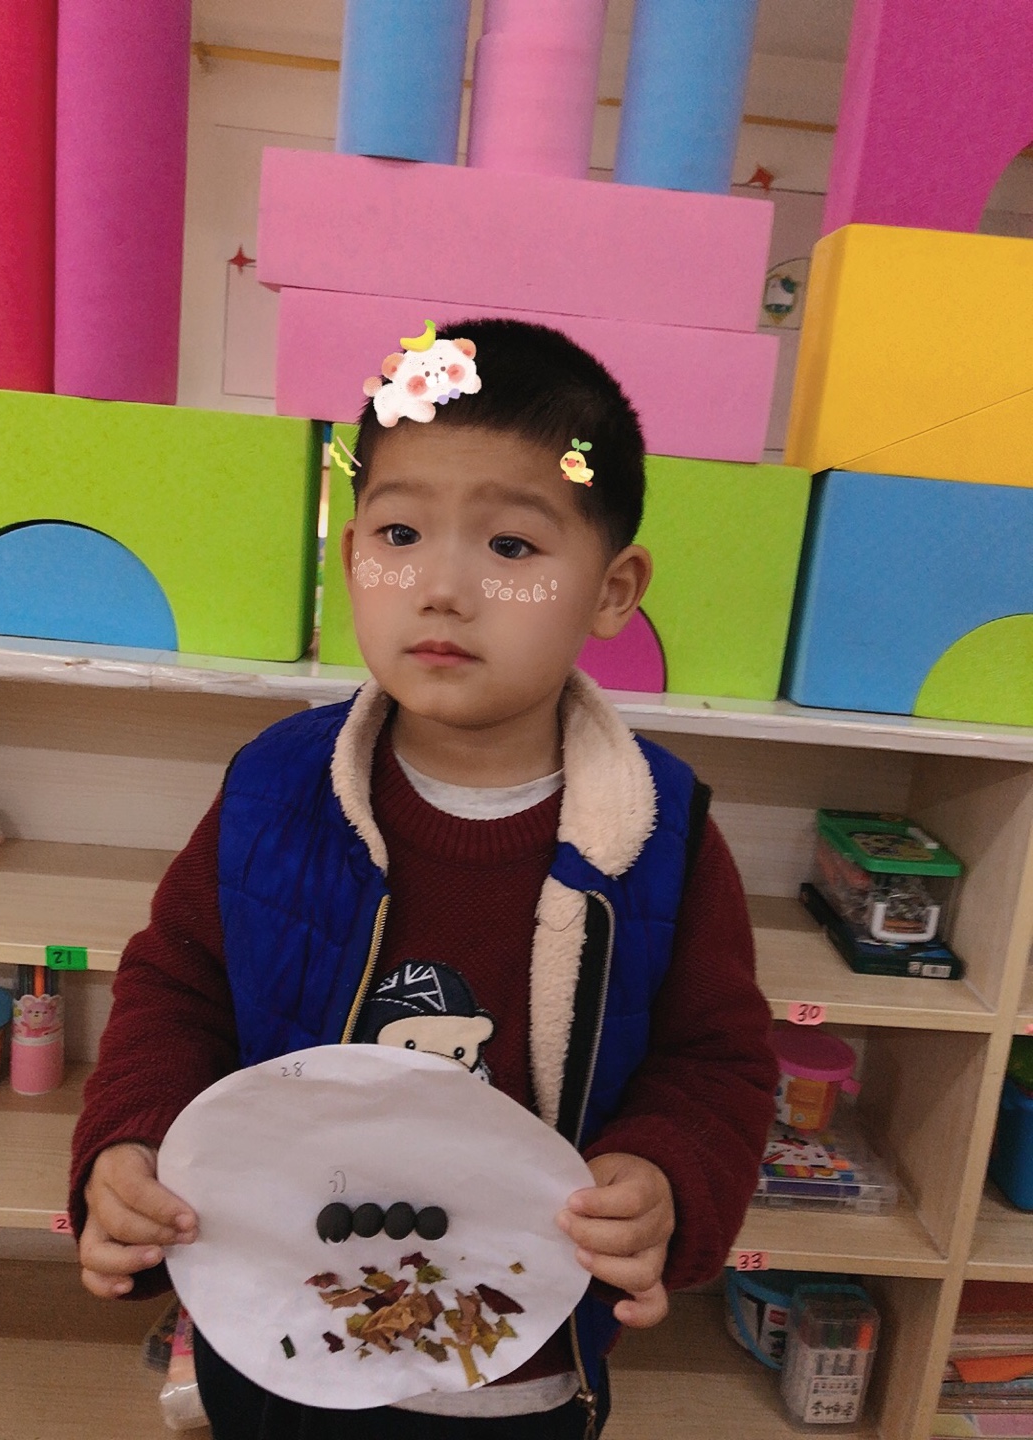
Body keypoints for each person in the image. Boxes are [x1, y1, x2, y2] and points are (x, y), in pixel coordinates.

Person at [70, 318, 778, 1440]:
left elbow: (717, 1062)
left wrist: (663, 1172)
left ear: (613, 589)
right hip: (274, 1327)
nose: (443, 586)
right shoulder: (276, 788)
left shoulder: (660, 833)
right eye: (400, 533)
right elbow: (177, 986)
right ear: (354, 553)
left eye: (512, 546)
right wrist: (134, 1140)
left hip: (521, 1363)